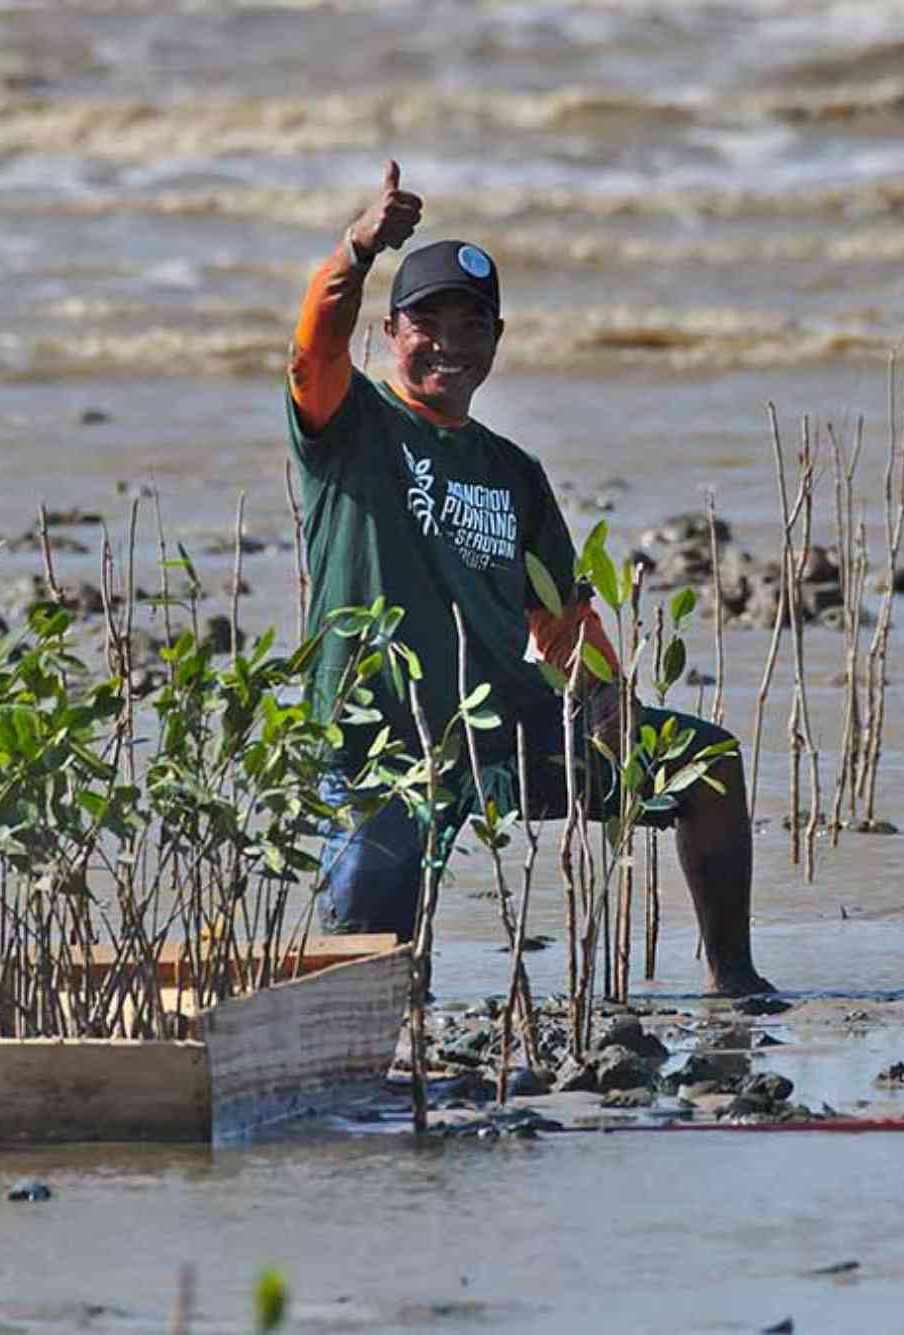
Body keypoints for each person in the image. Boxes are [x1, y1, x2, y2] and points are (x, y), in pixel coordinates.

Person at [284, 160, 769, 996]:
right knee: (373, 974)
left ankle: (737, 981)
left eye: (472, 327)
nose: (450, 345)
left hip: (502, 730)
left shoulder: (514, 472)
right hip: (382, 742)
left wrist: (613, 700)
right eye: (428, 324)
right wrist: (359, 249)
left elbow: (563, 616)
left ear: (497, 341)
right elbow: (314, 343)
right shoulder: (349, 424)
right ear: (390, 332)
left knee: (710, 764)